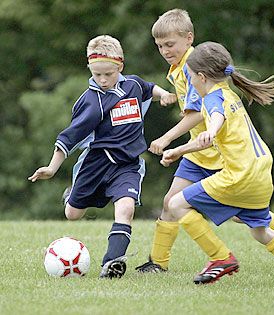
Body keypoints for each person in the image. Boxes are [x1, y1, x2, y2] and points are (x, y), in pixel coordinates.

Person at [135, 8, 274, 274]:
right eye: (159, 45)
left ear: (188, 38)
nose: (164, 50)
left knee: (238, 212)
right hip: (197, 151)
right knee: (172, 202)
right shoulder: (181, 67)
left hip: (216, 153)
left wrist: (167, 138)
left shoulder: (195, 67)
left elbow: (197, 115)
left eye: (169, 44)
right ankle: (159, 263)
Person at [28, 35, 177, 279]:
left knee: (126, 209)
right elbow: (69, 137)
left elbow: (150, 88)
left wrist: (166, 94)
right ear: (90, 70)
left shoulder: (133, 85)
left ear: (120, 66)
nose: (103, 80)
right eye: (97, 75)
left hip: (126, 165)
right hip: (95, 165)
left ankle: (112, 264)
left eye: (108, 74)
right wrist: (52, 168)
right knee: (72, 215)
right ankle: (71, 196)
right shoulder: (91, 101)